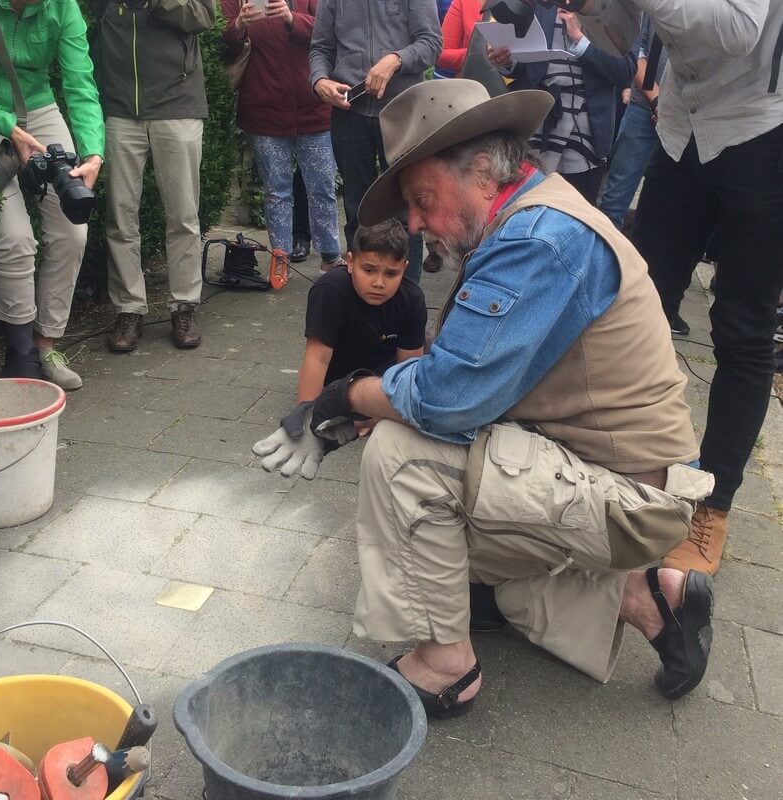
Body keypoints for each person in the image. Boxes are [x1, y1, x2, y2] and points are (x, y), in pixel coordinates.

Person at [254, 79, 716, 712]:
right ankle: (647, 595)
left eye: (421, 200)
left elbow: (447, 397)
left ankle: (449, 667)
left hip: (629, 499)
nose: (414, 225)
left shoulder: (538, 242)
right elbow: (468, 382)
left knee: (403, 454)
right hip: (610, 476)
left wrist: (348, 395)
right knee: (426, 522)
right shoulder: (533, 217)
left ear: (478, 171)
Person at [592, 0, 783, 577]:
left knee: (745, 335)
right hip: (678, 125)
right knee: (634, 305)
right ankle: (620, 468)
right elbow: (621, 37)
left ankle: (712, 506)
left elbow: (737, 30)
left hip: (763, 131)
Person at [0, 0, 104, 389]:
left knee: (74, 228)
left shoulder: (62, 8)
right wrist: (7, 126)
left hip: (38, 108)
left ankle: (46, 345)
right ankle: (20, 351)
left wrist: (92, 153)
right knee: (14, 236)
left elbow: (80, 83)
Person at [97, 0, 214, 353]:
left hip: (177, 103)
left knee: (183, 216)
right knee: (119, 216)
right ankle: (128, 309)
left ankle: (184, 306)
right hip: (118, 105)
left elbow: (203, 16)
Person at [309, 0, 443, 283]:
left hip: (402, 111)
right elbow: (320, 48)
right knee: (357, 209)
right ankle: (360, 292)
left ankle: (407, 295)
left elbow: (431, 43)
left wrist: (396, 59)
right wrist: (319, 80)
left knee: (409, 210)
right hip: (350, 112)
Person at [223, 0, 343, 275]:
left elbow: (330, 33)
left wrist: (292, 19)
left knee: (322, 188)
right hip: (264, 111)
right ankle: (281, 257)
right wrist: (239, 26)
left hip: (315, 109)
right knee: (276, 191)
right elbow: (222, 43)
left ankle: (331, 256)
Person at [490, 4, 634, 204]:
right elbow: (525, 67)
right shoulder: (540, 5)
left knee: (577, 214)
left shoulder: (610, 9)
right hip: (535, 129)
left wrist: (580, 40)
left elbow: (625, 72)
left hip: (587, 138)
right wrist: (507, 61)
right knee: (528, 208)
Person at [297, 219, 427, 405]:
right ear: (350, 262)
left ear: (404, 269)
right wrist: (305, 414)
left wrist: (382, 412)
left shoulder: (412, 298)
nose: (379, 283)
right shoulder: (330, 290)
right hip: (338, 383)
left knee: (431, 351)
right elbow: (317, 359)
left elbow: (408, 371)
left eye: (391, 274)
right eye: (368, 270)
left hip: (384, 381)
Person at [597, 15, 667, 233]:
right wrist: (657, 101)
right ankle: (604, 259)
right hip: (644, 106)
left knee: (669, 202)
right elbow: (635, 48)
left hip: (689, 114)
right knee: (614, 199)